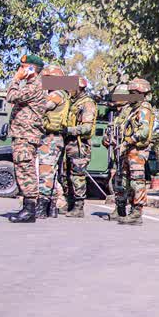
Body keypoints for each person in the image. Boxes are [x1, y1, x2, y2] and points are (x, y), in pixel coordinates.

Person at [7, 55, 47, 223]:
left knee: (26, 169)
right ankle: (27, 207)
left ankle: (29, 209)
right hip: (23, 134)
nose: (20, 70)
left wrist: (16, 79)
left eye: (24, 67)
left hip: (27, 134)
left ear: (32, 69)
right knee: (23, 169)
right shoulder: (33, 85)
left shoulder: (35, 85)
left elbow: (10, 96)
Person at [117, 78, 156, 226]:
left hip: (138, 152)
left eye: (133, 93)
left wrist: (128, 141)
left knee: (137, 182)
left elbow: (144, 132)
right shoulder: (133, 110)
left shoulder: (144, 109)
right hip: (130, 151)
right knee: (128, 181)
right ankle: (130, 210)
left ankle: (137, 213)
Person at [37, 66, 71, 219]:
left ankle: (42, 206)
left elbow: (42, 107)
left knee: (46, 171)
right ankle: (52, 207)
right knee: (52, 172)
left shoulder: (56, 94)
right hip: (54, 137)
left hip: (51, 138)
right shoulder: (63, 93)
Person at [61, 78, 97, 217]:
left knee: (78, 176)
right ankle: (70, 203)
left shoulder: (87, 103)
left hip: (80, 145)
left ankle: (78, 207)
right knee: (67, 175)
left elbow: (87, 128)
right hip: (70, 145)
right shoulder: (73, 103)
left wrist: (68, 130)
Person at [103, 83, 131, 221]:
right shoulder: (118, 114)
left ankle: (130, 210)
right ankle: (119, 209)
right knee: (118, 182)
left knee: (128, 183)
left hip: (127, 152)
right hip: (117, 154)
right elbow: (110, 132)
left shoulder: (130, 112)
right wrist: (107, 139)